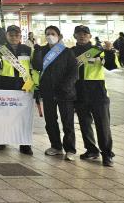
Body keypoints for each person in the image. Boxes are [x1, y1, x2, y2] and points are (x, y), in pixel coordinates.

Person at [73, 25, 118, 167]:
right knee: (85, 124)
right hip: (79, 94)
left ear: (90, 36)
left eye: (85, 34)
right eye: (79, 33)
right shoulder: (70, 52)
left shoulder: (98, 51)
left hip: (98, 94)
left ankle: (107, 154)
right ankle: (91, 150)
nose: (82, 36)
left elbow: (111, 66)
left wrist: (109, 51)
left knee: (103, 125)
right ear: (75, 36)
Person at [32, 26, 77, 161]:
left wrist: (66, 86)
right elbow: (37, 67)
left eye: (53, 34)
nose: (50, 36)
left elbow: (74, 72)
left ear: (59, 36)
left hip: (65, 93)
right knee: (50, 121)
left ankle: (70, 149)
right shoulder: (42, 50)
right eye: (47, 34)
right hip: (48, 92)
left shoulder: (67, 52)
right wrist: (37, 51)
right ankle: (56, 146)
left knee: (67, 122)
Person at [0, 25, 37, 155]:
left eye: (16, 35)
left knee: (24, 116)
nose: (14, 37)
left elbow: (34, 69)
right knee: (4, 114)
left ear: (20, 36)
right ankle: (2, 140)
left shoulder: (28, 49)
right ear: (6, 36)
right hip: (5, 84)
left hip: (24, 86)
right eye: (11, 35)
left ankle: (25, 144)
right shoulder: (0, 49)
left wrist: (33, 86)